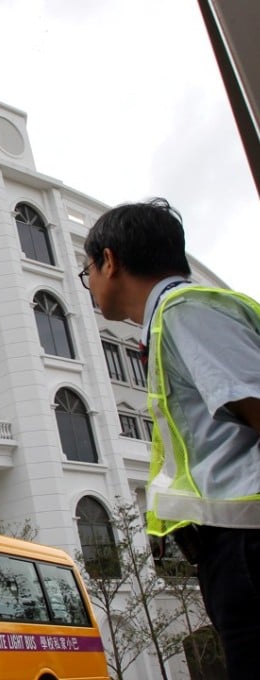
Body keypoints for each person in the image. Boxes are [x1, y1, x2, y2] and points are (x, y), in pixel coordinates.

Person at [81, 197, 260, 679]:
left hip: (247, 542)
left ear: (111, 261)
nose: (90, 285)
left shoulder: (185, 312)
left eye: (88, 271)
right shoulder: (174, 319)